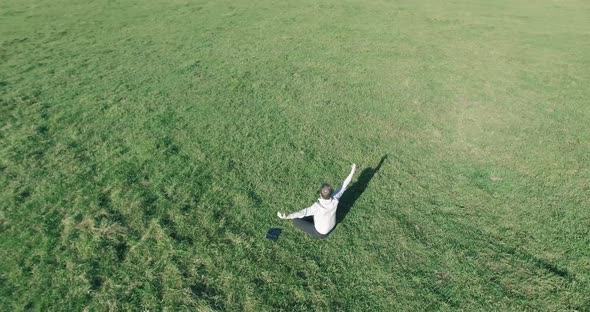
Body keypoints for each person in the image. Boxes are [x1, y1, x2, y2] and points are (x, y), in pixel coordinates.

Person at [277, 164, 356, 239]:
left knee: (296, 221)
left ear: (320, 194)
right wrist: (352, 171)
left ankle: (311, 223)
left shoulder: (316, 207)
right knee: (308, 215)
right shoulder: (335, 198)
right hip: (332, 225)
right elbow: (343, 185)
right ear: (332, 193)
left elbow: (301, 213)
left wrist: (287, 216)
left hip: (321, 233)